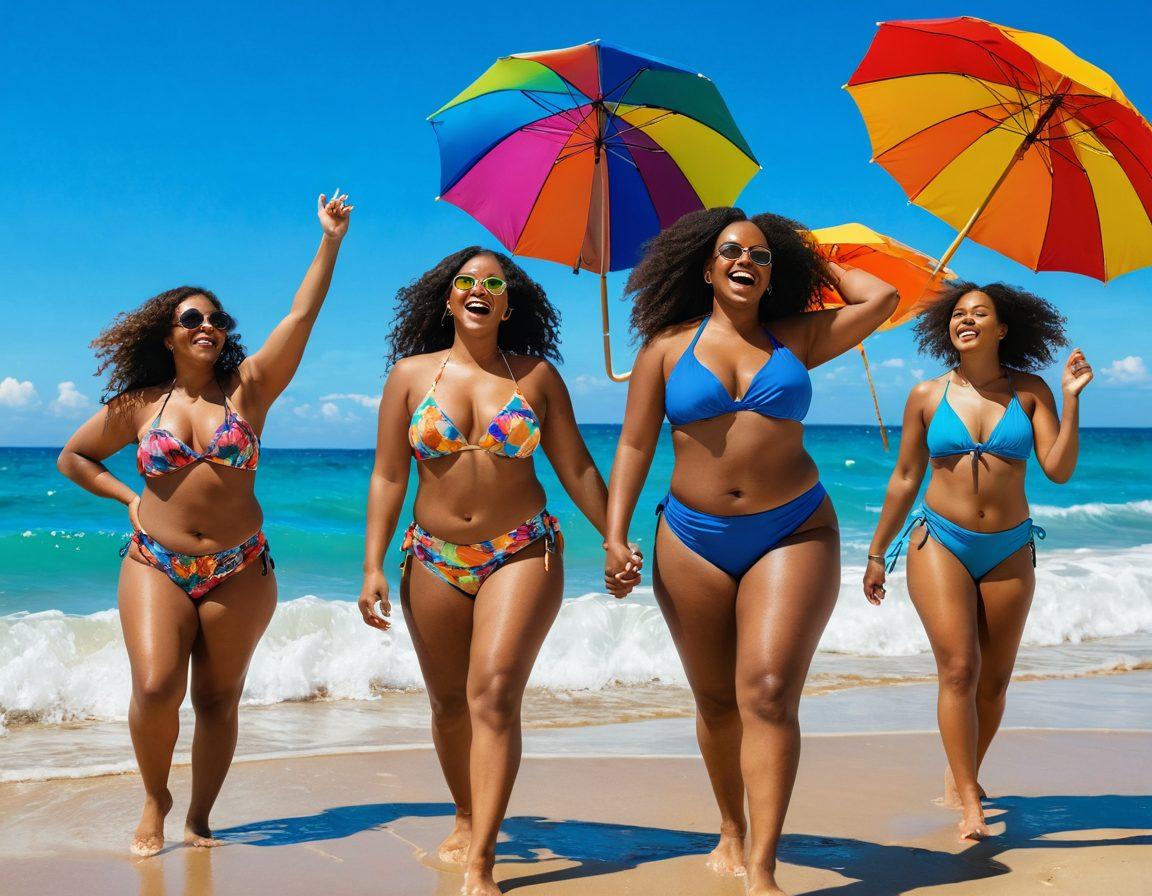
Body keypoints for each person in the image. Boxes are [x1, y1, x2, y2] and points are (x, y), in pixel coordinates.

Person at [603, 207, 897, 895]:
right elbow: (635, 445)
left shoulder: (798, 338)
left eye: (761, 256)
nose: (745, 261)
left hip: (793, 529)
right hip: (691, 537)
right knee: (715, 701)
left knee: (765, 693)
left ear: (775, 274)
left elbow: (879, 298)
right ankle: (731, 827)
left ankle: (762, 869)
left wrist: (810, 257)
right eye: (731, 251)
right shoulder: (664, 349)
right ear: (706, 268)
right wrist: (615, 535)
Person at [57, 191, 354, 855]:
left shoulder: (250, 389)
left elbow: (301, 315)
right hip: (154, 562)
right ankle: (155, 797)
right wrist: (126, 499)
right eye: (193, 317)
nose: (207, 325)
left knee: (219, 700)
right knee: (158, 685)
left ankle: (198, 816)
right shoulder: (138, 404)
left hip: (240, 567)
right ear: (167, 333)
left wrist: (329, 240)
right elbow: (73, 457)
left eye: (216, 317)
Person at [358, 247, 640, 896]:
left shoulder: (535, 377)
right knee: (450, 704)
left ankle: (482, 859)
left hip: (521, 549)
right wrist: (372, 563)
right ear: (448, 299)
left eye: (494, 283)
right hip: (430, 553)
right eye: (467, 281)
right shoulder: (410, 376)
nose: (480, 289)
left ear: (509, 305)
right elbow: (387, 474)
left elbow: (575, 468)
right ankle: (465, 813)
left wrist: (614, 537)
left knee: (492, 695)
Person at [864, 282, 1091, 840]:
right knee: (959, 670)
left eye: (979, 313)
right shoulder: (926, 395)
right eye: (958, 313)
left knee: (993, 683)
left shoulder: (1032, 391)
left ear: (1002, 329)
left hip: (1010, 546)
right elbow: (904, 478)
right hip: (938, 540)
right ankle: (969, 801)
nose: (966, 320)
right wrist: (875, 553)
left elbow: (1058, 469)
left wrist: (1072, 397)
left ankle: (963, 772)